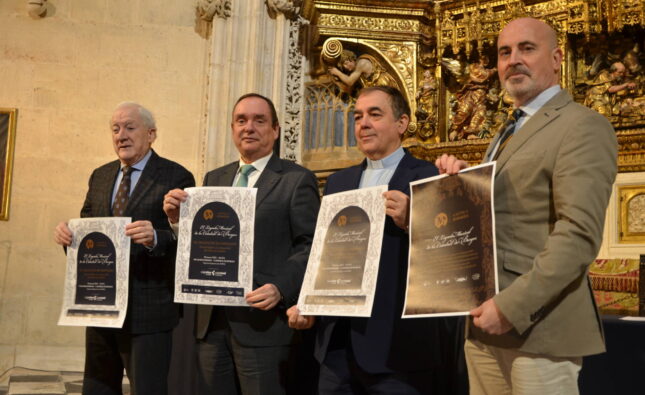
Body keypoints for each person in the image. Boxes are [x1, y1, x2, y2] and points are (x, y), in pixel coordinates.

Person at [436, 17, 617, 394]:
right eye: (505, 52)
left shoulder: (581, 125)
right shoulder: (508, 129)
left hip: (539, 328)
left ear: (556, 58)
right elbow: (509, 210)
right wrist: (465, 185)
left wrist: (511, 308)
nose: (513, 59)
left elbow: (578, 235)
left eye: (526, 48)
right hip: (486, 321)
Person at [288, 86, 450, 394]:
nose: (363, 123)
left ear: (401, 124)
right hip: (337, 344)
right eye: (358, 116)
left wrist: (410, 221)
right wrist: (307, 302)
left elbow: (446, 255)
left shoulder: (427, 175)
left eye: (375, 114)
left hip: (397, 348)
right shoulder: (339, 181)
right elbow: (325, 253)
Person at [163, 93, 320, 395]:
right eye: (241, 120)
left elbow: (310, 245)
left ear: (275, 130)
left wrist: (281, 288)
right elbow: (202, 245)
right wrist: (177, 221)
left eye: (259, 120)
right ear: (233, 129)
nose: (249, 127)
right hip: (211, 323)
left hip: (262, 323)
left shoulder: (296, 179)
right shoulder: (213, 178)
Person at [53, 102, 196, 395]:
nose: (121, 135)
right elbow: (89, 229)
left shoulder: (177, 176)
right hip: (100, 306)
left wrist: (156, 237)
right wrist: (70, 238)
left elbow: (189, 242)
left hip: (148, 309)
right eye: (115, 129)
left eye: (130, 128)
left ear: (151, 134)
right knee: (97, 388)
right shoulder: (101, 176)